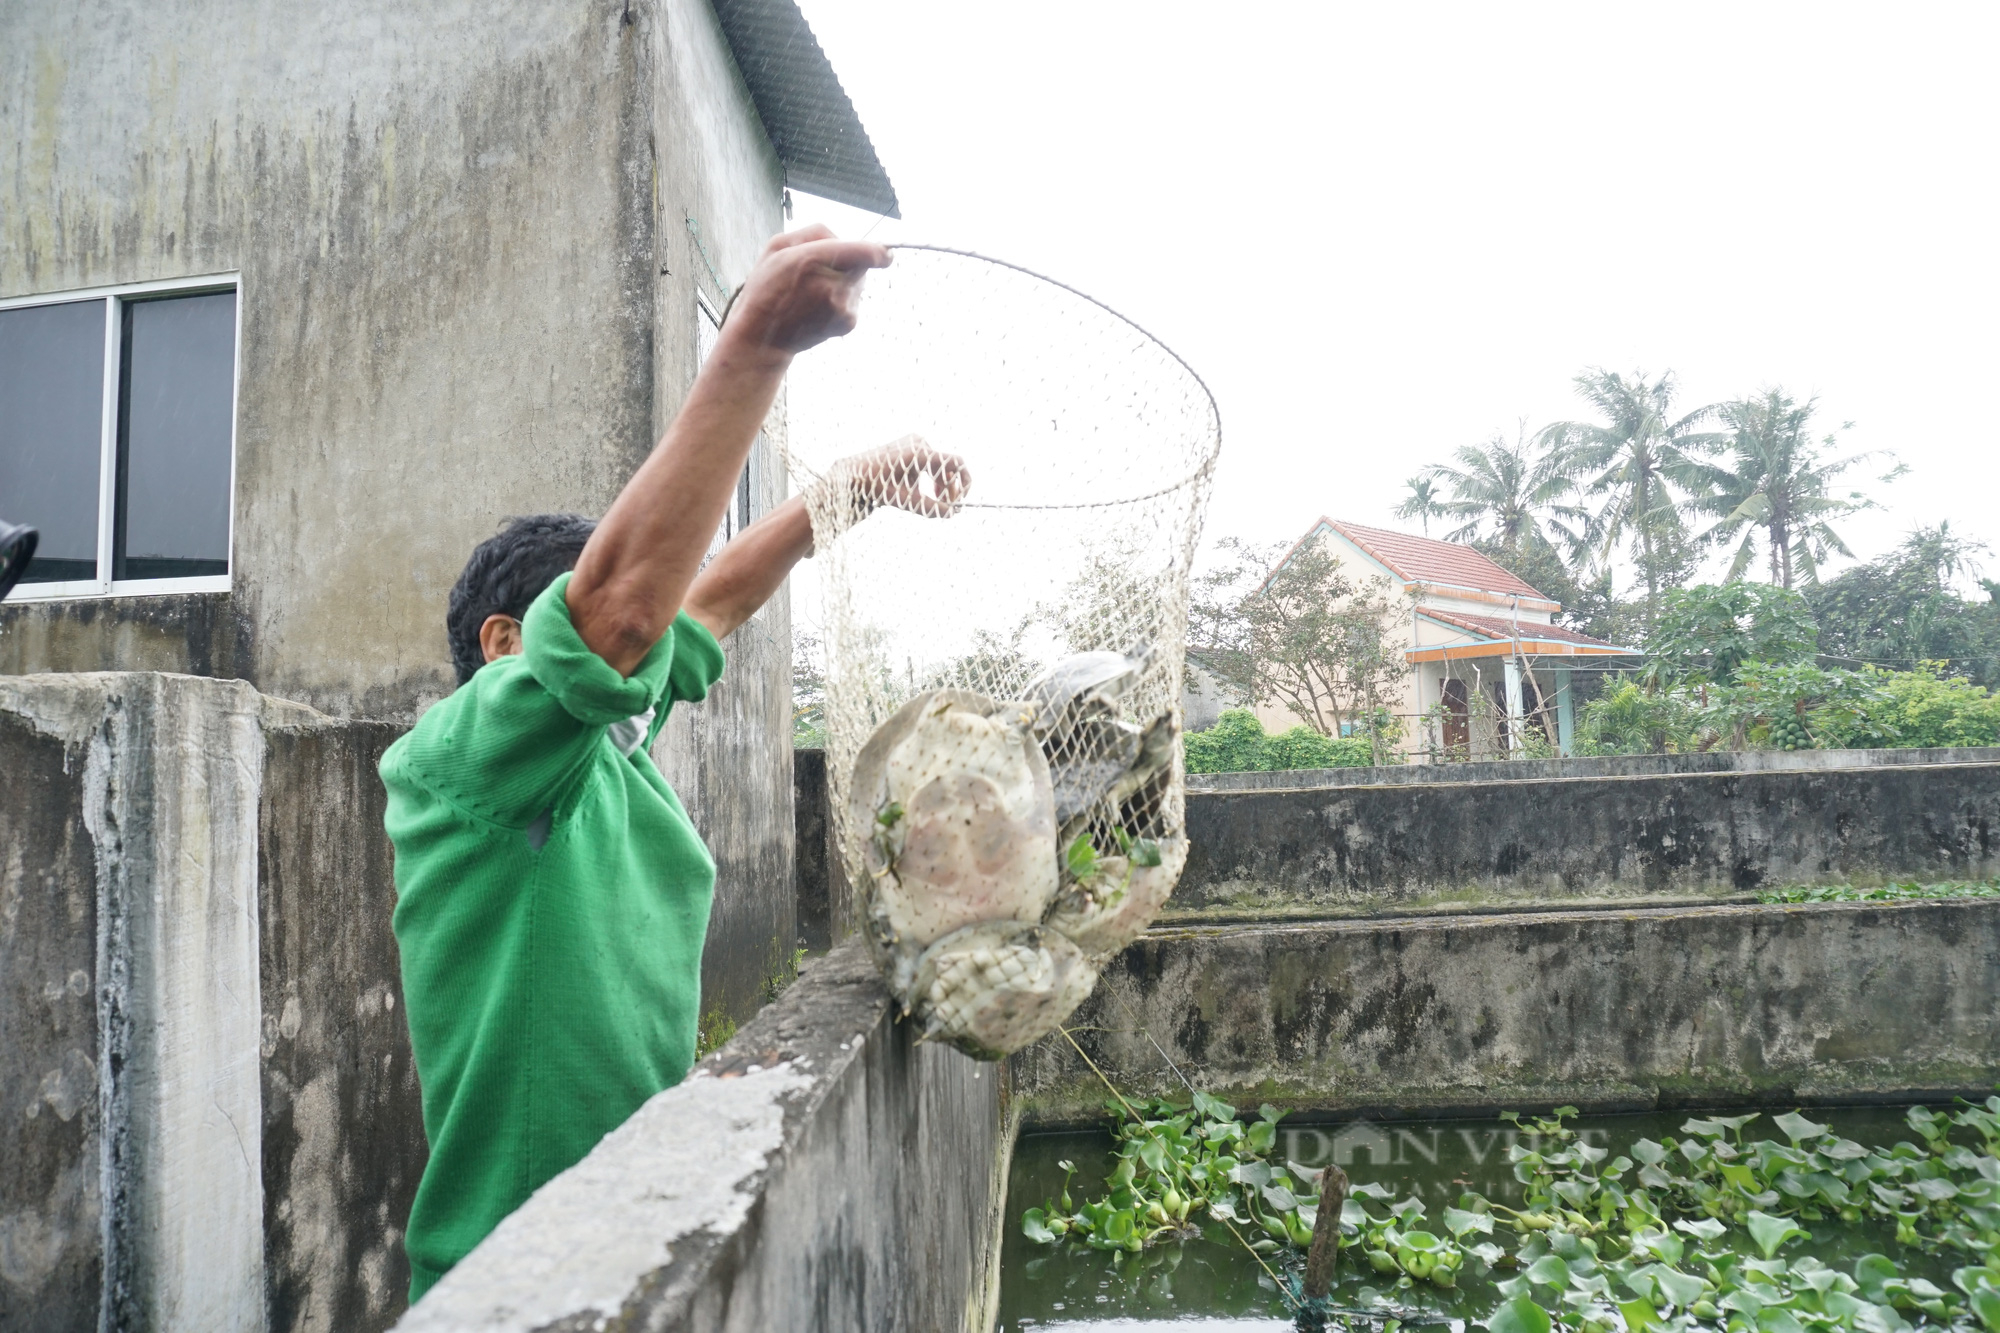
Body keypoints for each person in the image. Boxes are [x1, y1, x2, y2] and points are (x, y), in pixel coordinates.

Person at [379, 226, 969, 1302]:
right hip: (515, 1274)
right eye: (603, 621)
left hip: (625, 1242)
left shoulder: (604, 758)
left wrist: (844, 493)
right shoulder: (458, 759)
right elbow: (623, 613)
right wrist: (752, 348)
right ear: (509, 646)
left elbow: (702, 602)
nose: (642, 643)